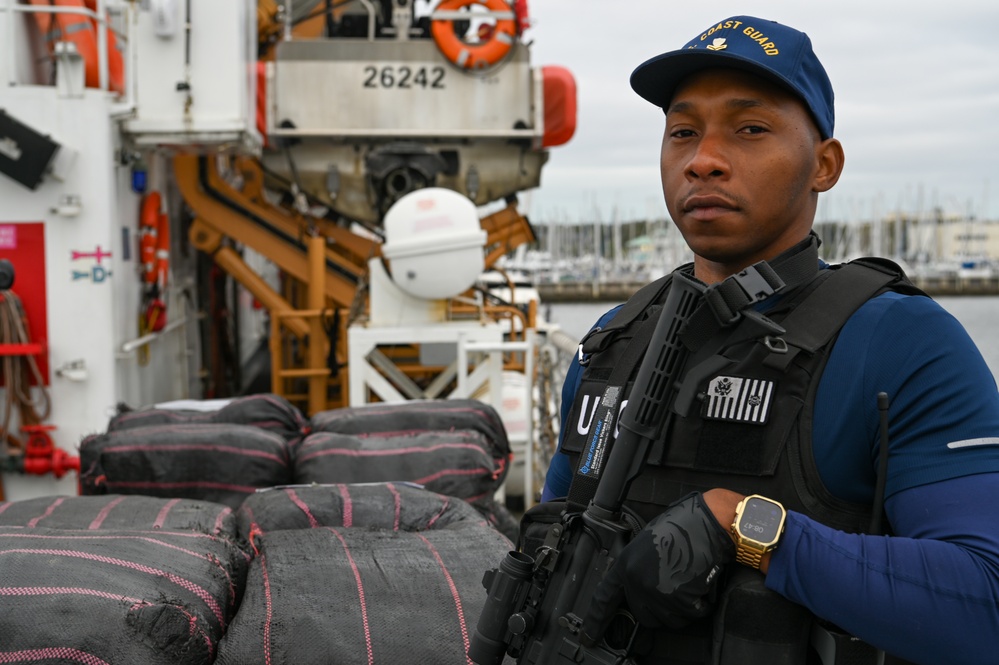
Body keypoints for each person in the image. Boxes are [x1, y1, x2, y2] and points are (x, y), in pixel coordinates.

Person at [538, 15, 999, 665]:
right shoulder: (610, 341)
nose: (703, 160)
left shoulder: (899, 343)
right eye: (682, 132)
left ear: (824, 164)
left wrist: (745, 525)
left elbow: (984, 602)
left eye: (749, 129)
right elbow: (556, 536)